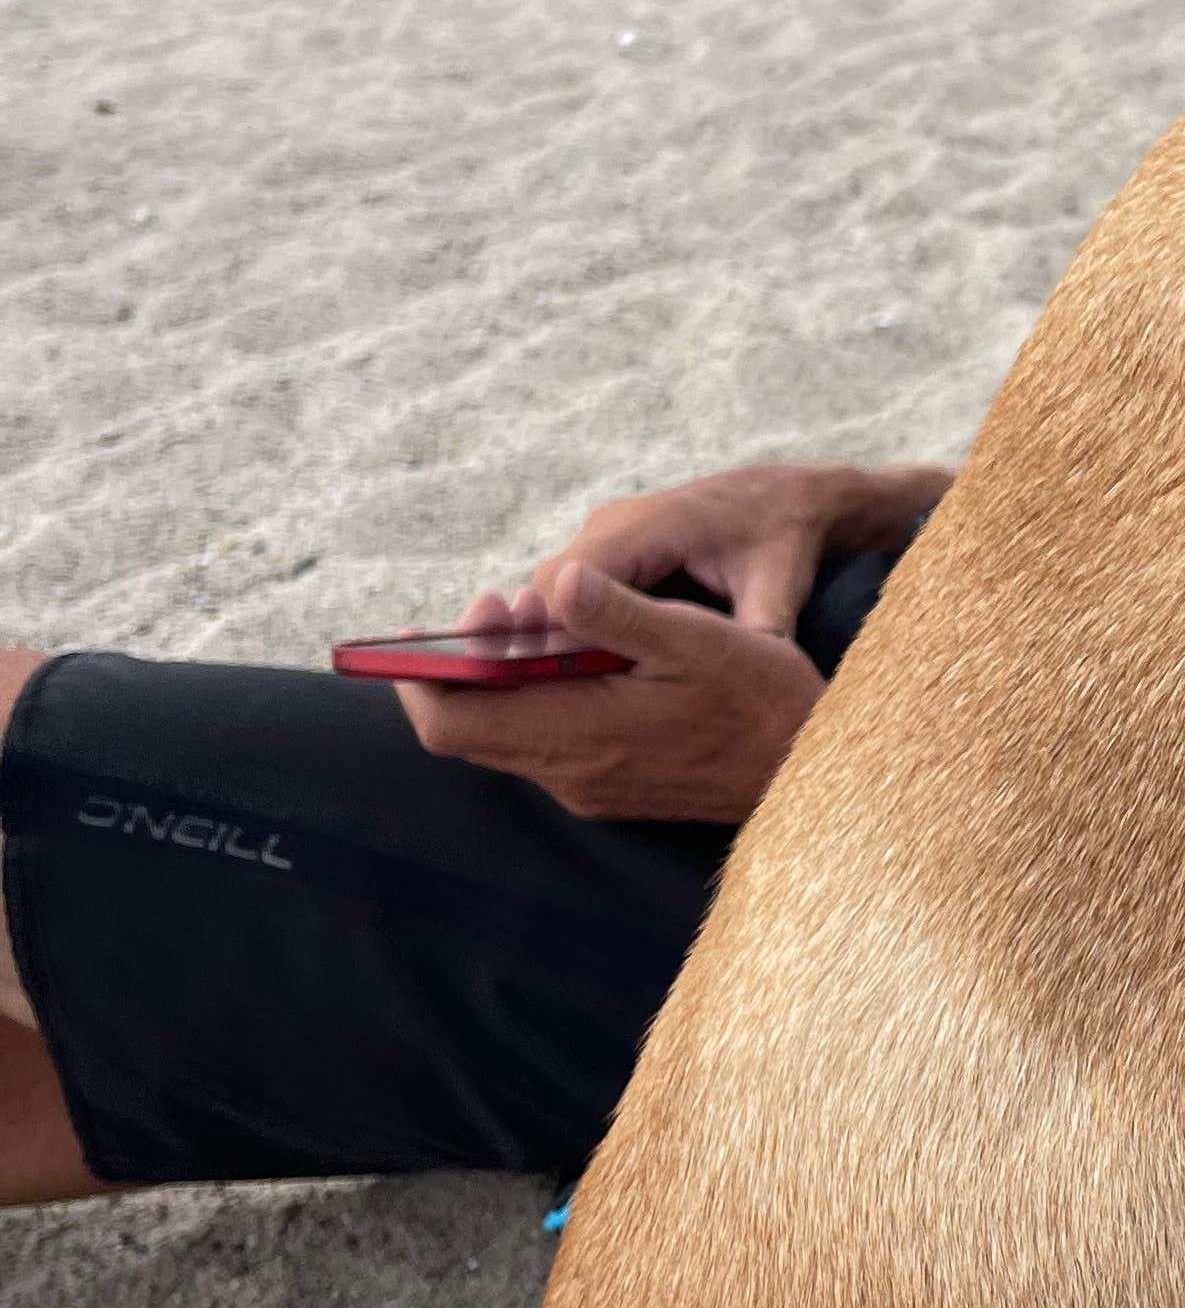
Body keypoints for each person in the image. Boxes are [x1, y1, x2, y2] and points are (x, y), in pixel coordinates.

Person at [0, 457, 950, 1209]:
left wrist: (809, 769)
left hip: (923, 923)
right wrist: (849, 500)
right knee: (111, 946)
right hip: (880, 679)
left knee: (49, 798)